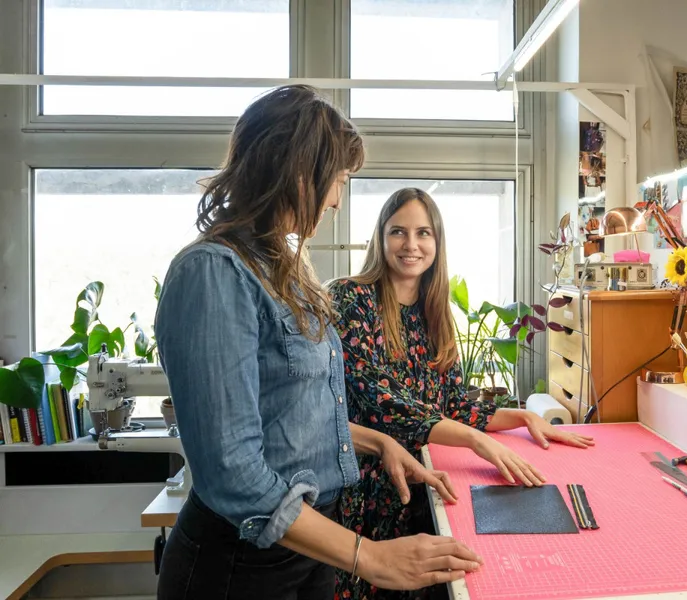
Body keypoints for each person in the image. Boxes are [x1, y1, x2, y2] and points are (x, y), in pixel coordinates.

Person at [153, 87, 482, 600]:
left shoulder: (282, 271)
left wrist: (380, 442)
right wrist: (369, 555)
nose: (336, 200)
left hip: (309, 549)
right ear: (297, 170)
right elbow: (234, 475)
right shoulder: (213, 274)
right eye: (339, 181)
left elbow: (295, 417)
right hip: (243, 566)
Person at [329, 187, 595, 600]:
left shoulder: (435, 312)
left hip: (424, 486)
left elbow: (454, 404)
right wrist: (476, 440)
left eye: (424, 233)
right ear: (380, 238)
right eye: (398, 232)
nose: (411, 245)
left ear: (438, 241)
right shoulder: (350, 298)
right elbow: (380, 403)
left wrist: (523, 417)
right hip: (362, 494)